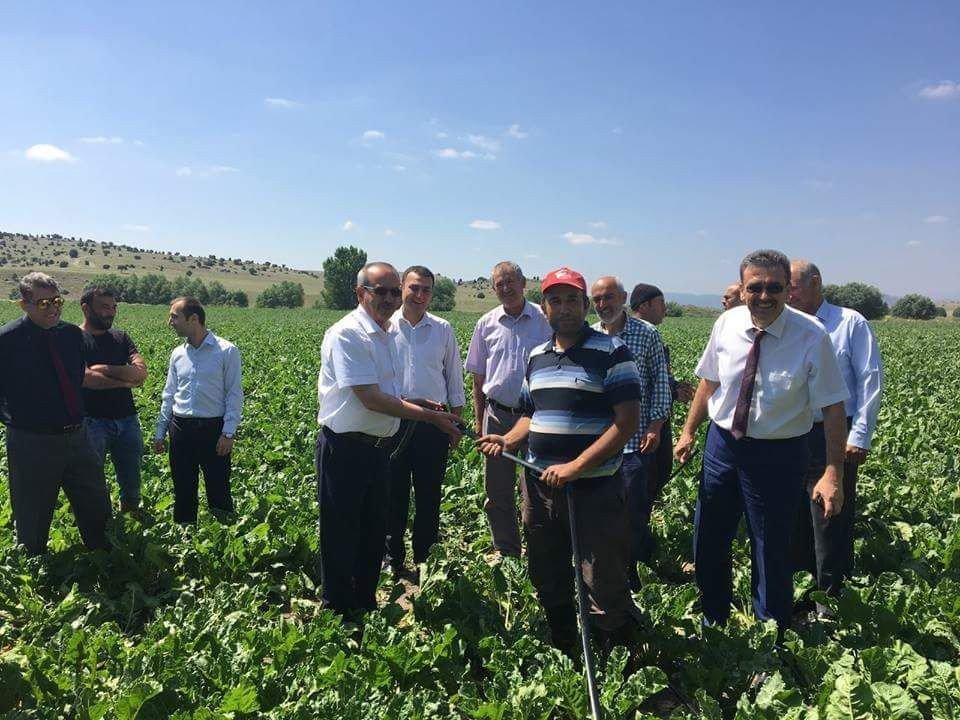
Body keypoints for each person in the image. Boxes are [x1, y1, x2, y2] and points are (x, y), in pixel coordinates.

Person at [674, 249, 850, 635]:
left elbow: (834, 409)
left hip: (780, 453)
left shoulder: (811, 335)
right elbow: (709, 381)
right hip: (722, 446)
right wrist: (688, 431)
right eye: (756, 287)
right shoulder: (726, 324)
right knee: (709, 538)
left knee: (771, 547)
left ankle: (771, 636)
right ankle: (713, 621)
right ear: (743, 288)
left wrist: (833, 472)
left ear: (788, 289)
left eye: (775, 287)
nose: (765, 295)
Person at [478, 267, 643, 655]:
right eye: (555, 300)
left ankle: (613, 652)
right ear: (545, 307)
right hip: (540, 486)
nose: (564, 308)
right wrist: (507, 438)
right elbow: (529, 415)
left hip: (595, 487)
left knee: (601, 575)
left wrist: (576, 467)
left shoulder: (612, 352)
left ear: (585, 306)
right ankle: (565, 641)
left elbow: (626, 423)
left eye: (572, 300)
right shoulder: (537, 356)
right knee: (546, 568)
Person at [316, 262, 462, 615]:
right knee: (341, 534)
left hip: (379, 448)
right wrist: (430, 416)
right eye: (380, 291)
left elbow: (387, 393)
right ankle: (338, 611)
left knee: (372, 532)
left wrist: (419, 403)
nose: (390, 298)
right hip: (347, 448)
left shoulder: (384, 334)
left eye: (394, 291)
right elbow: (370, 397)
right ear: (360, 292)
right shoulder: (349, 333)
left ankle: (365, 604)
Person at [788, 259, 883, 611]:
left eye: (793, 286)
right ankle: (801, 595)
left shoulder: (849, 322)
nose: (788, 294)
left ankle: (830, 601)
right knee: (796, 518)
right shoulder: (789, 325)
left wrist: (860, 435)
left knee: (830, 517)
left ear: (816, 283)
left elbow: (869, 378)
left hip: (833, 434)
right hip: (792, 434)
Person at [0, 272, 110, 554]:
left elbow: (75, 378)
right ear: (24, 305)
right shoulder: (7, 340)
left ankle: (103, 555)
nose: (53, 308)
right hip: (32, 441)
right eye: (43, 303)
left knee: (95, 499)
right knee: (32, 509)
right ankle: (35, 564)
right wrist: (15, 421)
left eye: (57, 301)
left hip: (77, 434)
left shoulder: (73, 336)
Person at [465, 261, 552, 559]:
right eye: (499, 284)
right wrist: (479, 420)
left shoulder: (544, 319)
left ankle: (540, 550)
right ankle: (507, 551)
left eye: (511, 282)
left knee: (537, 489)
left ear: (524, 282)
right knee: (497, 489)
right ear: (493, 289)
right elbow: (478, 378)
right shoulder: (486, 323)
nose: (506, 288)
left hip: (539, 416)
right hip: (497, 416)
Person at [385, 265, 466, 577]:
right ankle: (393, 559)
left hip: (434, 423)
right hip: (394, 419)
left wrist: (456, 423)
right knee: (393, 493)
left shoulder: (442, 329)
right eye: (414, 288)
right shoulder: (385, 326)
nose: (420, 295)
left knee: (430, 494)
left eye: (426, 290)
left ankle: (425, 558)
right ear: (403, 287)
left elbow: (454, 378)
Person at [591, 277, 671, 585]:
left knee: (633, 510)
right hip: (598, 442)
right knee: (601, 511)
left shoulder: (646, 333)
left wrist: (656, 425)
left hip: (636, 441)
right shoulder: (591, 336)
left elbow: (660, 382)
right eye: (597, 300)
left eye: (609, 297)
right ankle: (606, 570)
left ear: (623, 298)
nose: (603, 305)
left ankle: (632, 574)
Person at [153, 296, 243, 523]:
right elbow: (169, 394)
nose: (169, 322)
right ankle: (186, 544)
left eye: (174, 317)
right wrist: (160, 431)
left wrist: (228, 432)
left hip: (213, 430)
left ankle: (226, 543)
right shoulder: (178, 354)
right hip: (181, 428)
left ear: (194, 319)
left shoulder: (227, 351)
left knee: (219, 489)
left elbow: (234, 394)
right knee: (183, 490)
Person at [80, 285, 148, 513]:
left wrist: (104, 368)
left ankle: (130, 518)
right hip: (91, 422)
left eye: (113, 307)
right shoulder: (73, 338)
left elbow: (141, 373)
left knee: (131, 481)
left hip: (127, 420)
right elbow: (86, 378)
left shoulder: (121, 338)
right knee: (90, 479)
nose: (110, 312)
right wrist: (125, 380)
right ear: (86, 308)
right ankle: (98, 526)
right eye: (104, 307)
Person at [630, 283, 695, 505]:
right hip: (646, 424)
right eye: (662, 303)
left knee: (658, 472)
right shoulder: (636, 335)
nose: (665, 309)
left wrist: (675, 387)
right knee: (646, 479)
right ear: (646, 305)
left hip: (658, 420)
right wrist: (674, 391)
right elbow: (638, 380)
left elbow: (657, 377)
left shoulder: (651, 335)